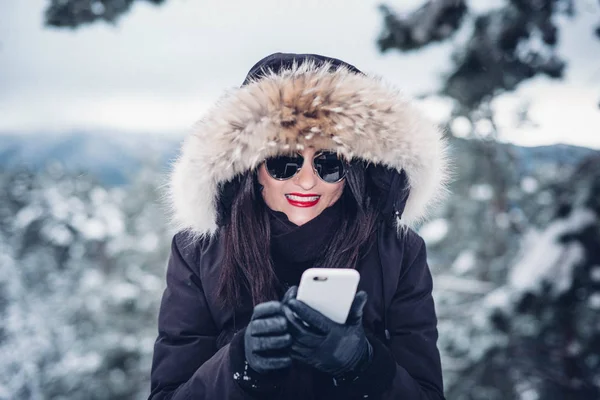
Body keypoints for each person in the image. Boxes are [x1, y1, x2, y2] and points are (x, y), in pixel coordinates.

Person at [149, 53, 449, 400]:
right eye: (284, 161)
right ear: (251, 167)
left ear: (353, 171)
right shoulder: (198, 252)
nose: (307, 182)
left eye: (329, 163)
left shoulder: (398, 252)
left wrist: (362, 365)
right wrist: (239, 366)